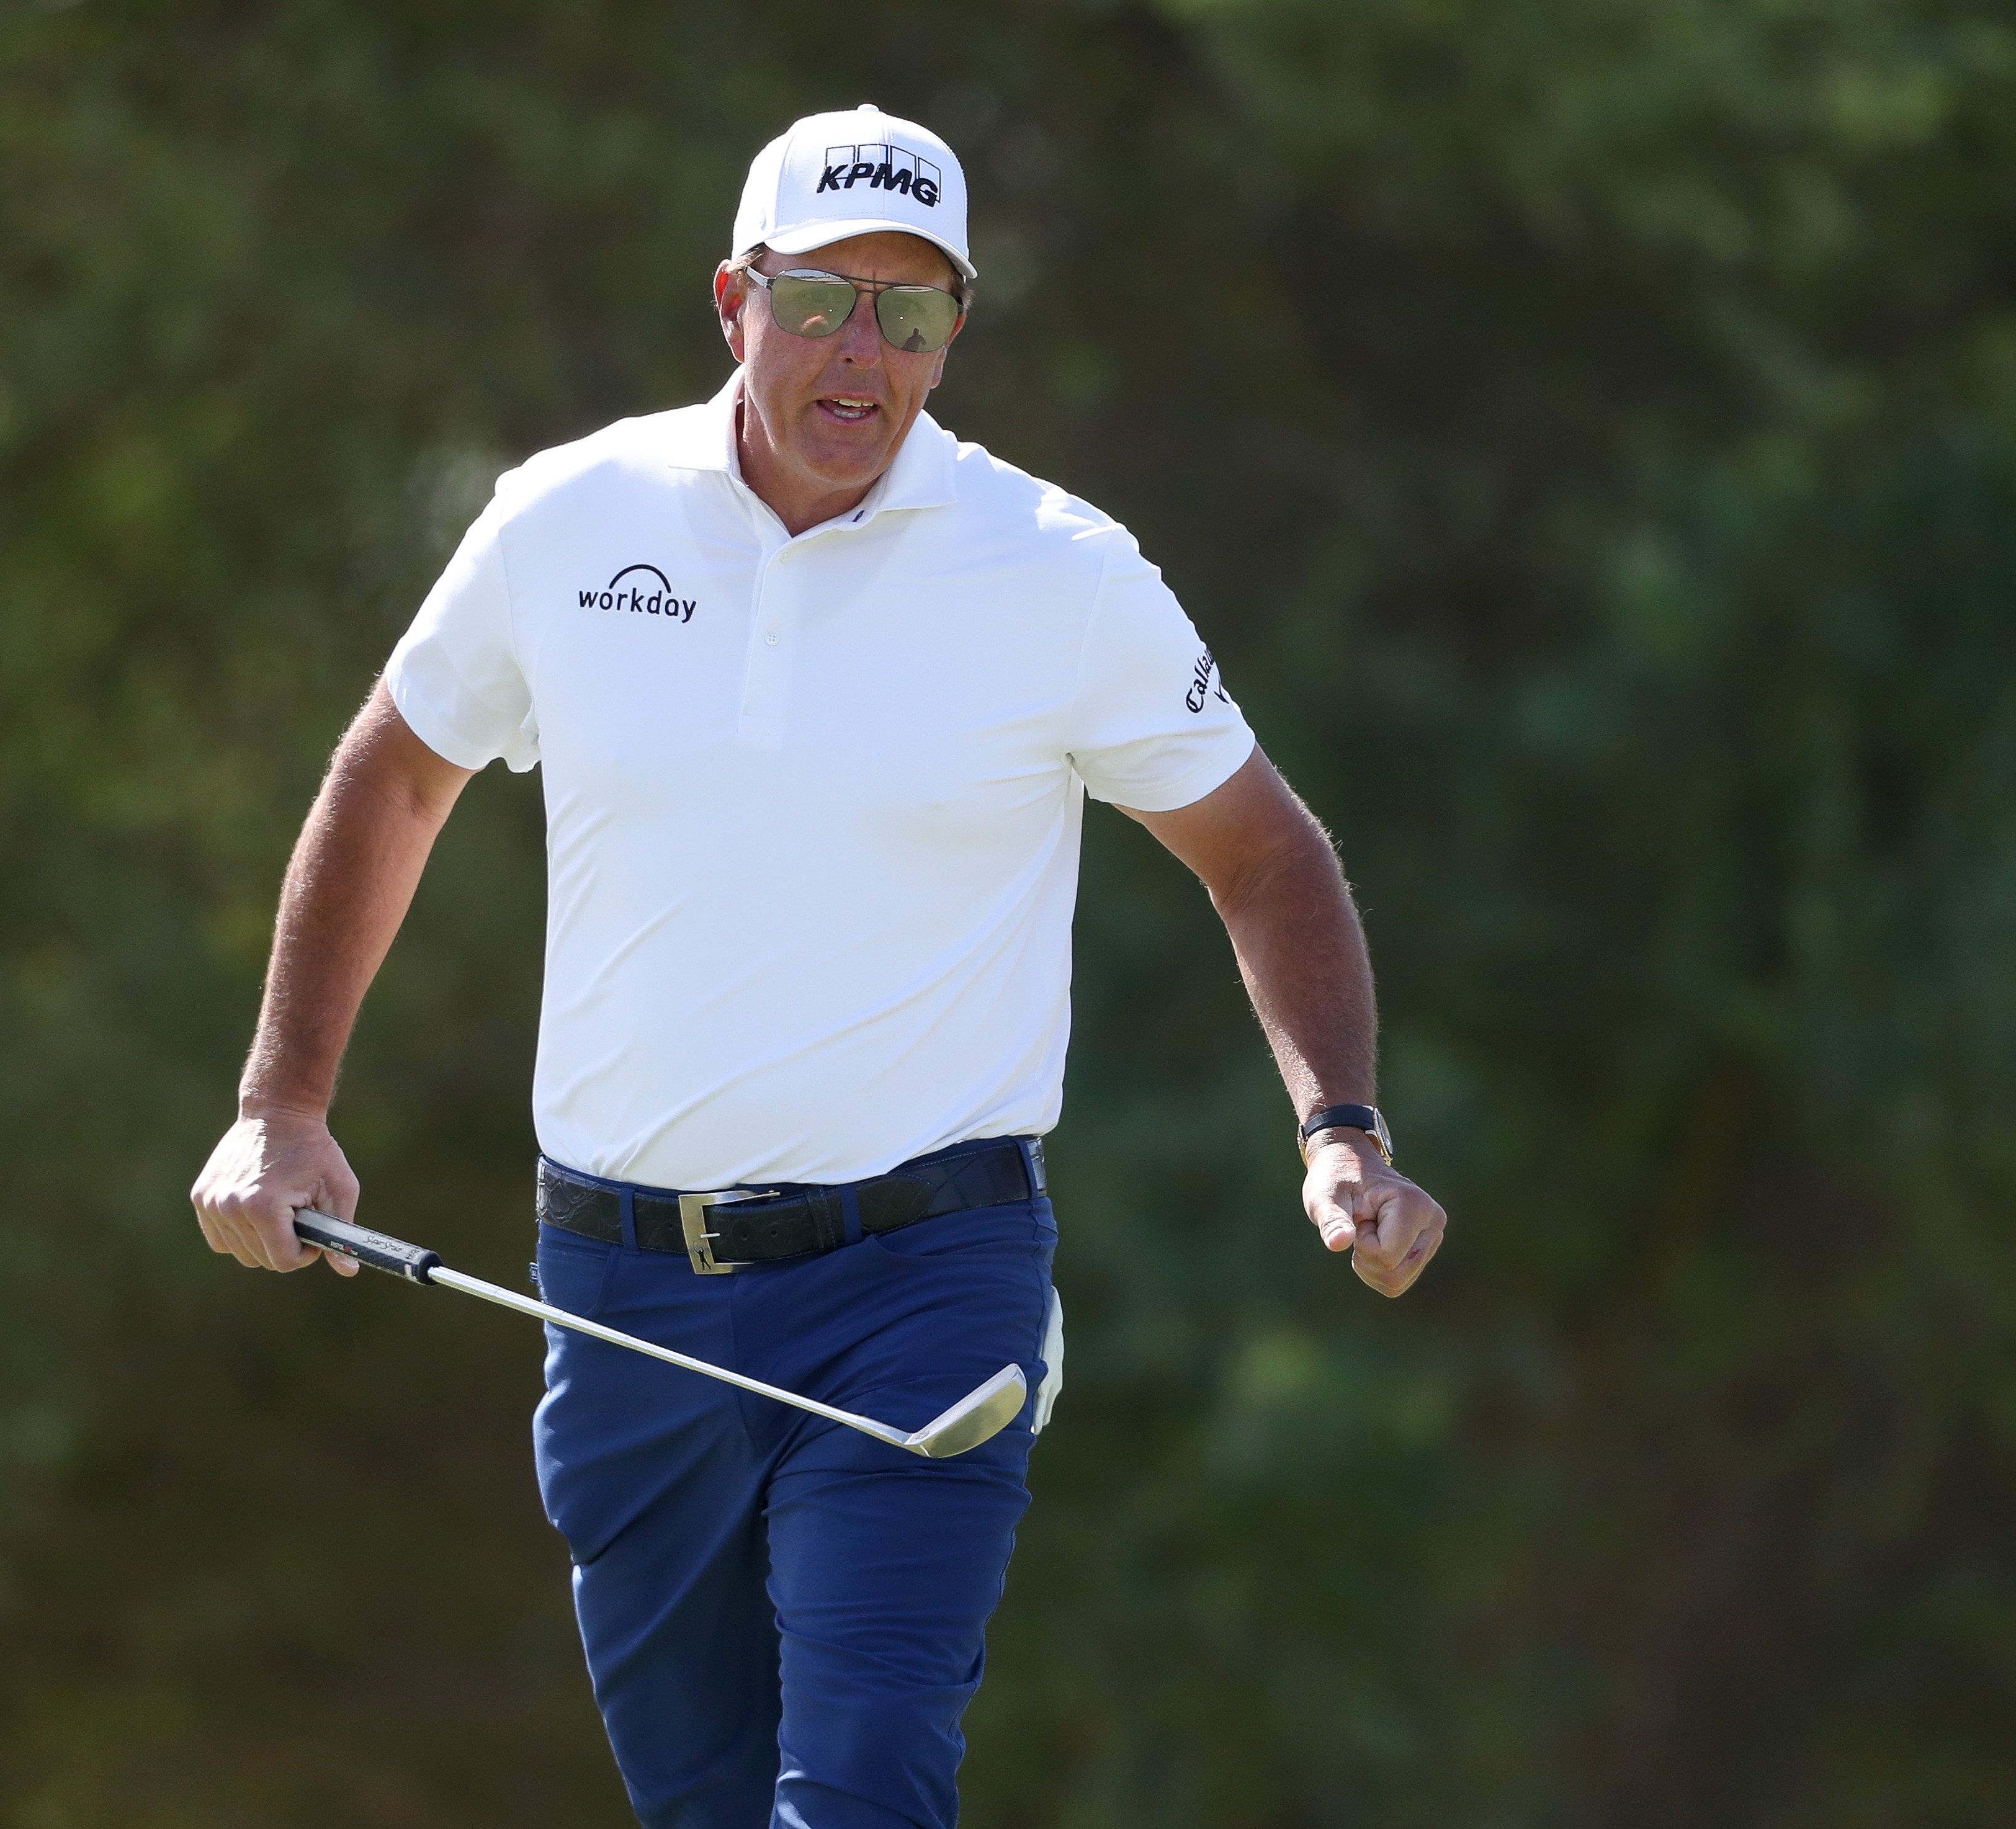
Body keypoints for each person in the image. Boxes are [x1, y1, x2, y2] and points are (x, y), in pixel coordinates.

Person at [191, 102, 1448, 1829]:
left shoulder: (1059, 573)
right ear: (735, 303)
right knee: (705, 1804)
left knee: (859, 1788)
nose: (862, 352)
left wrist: (1341, 1129)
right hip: (618, 1290)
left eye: (910, 312)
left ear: (954, 333)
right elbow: (394, 778)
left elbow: (1264, 852)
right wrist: (283, 1104)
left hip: (925, 1284)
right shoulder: (567, 519)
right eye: (817, 301)